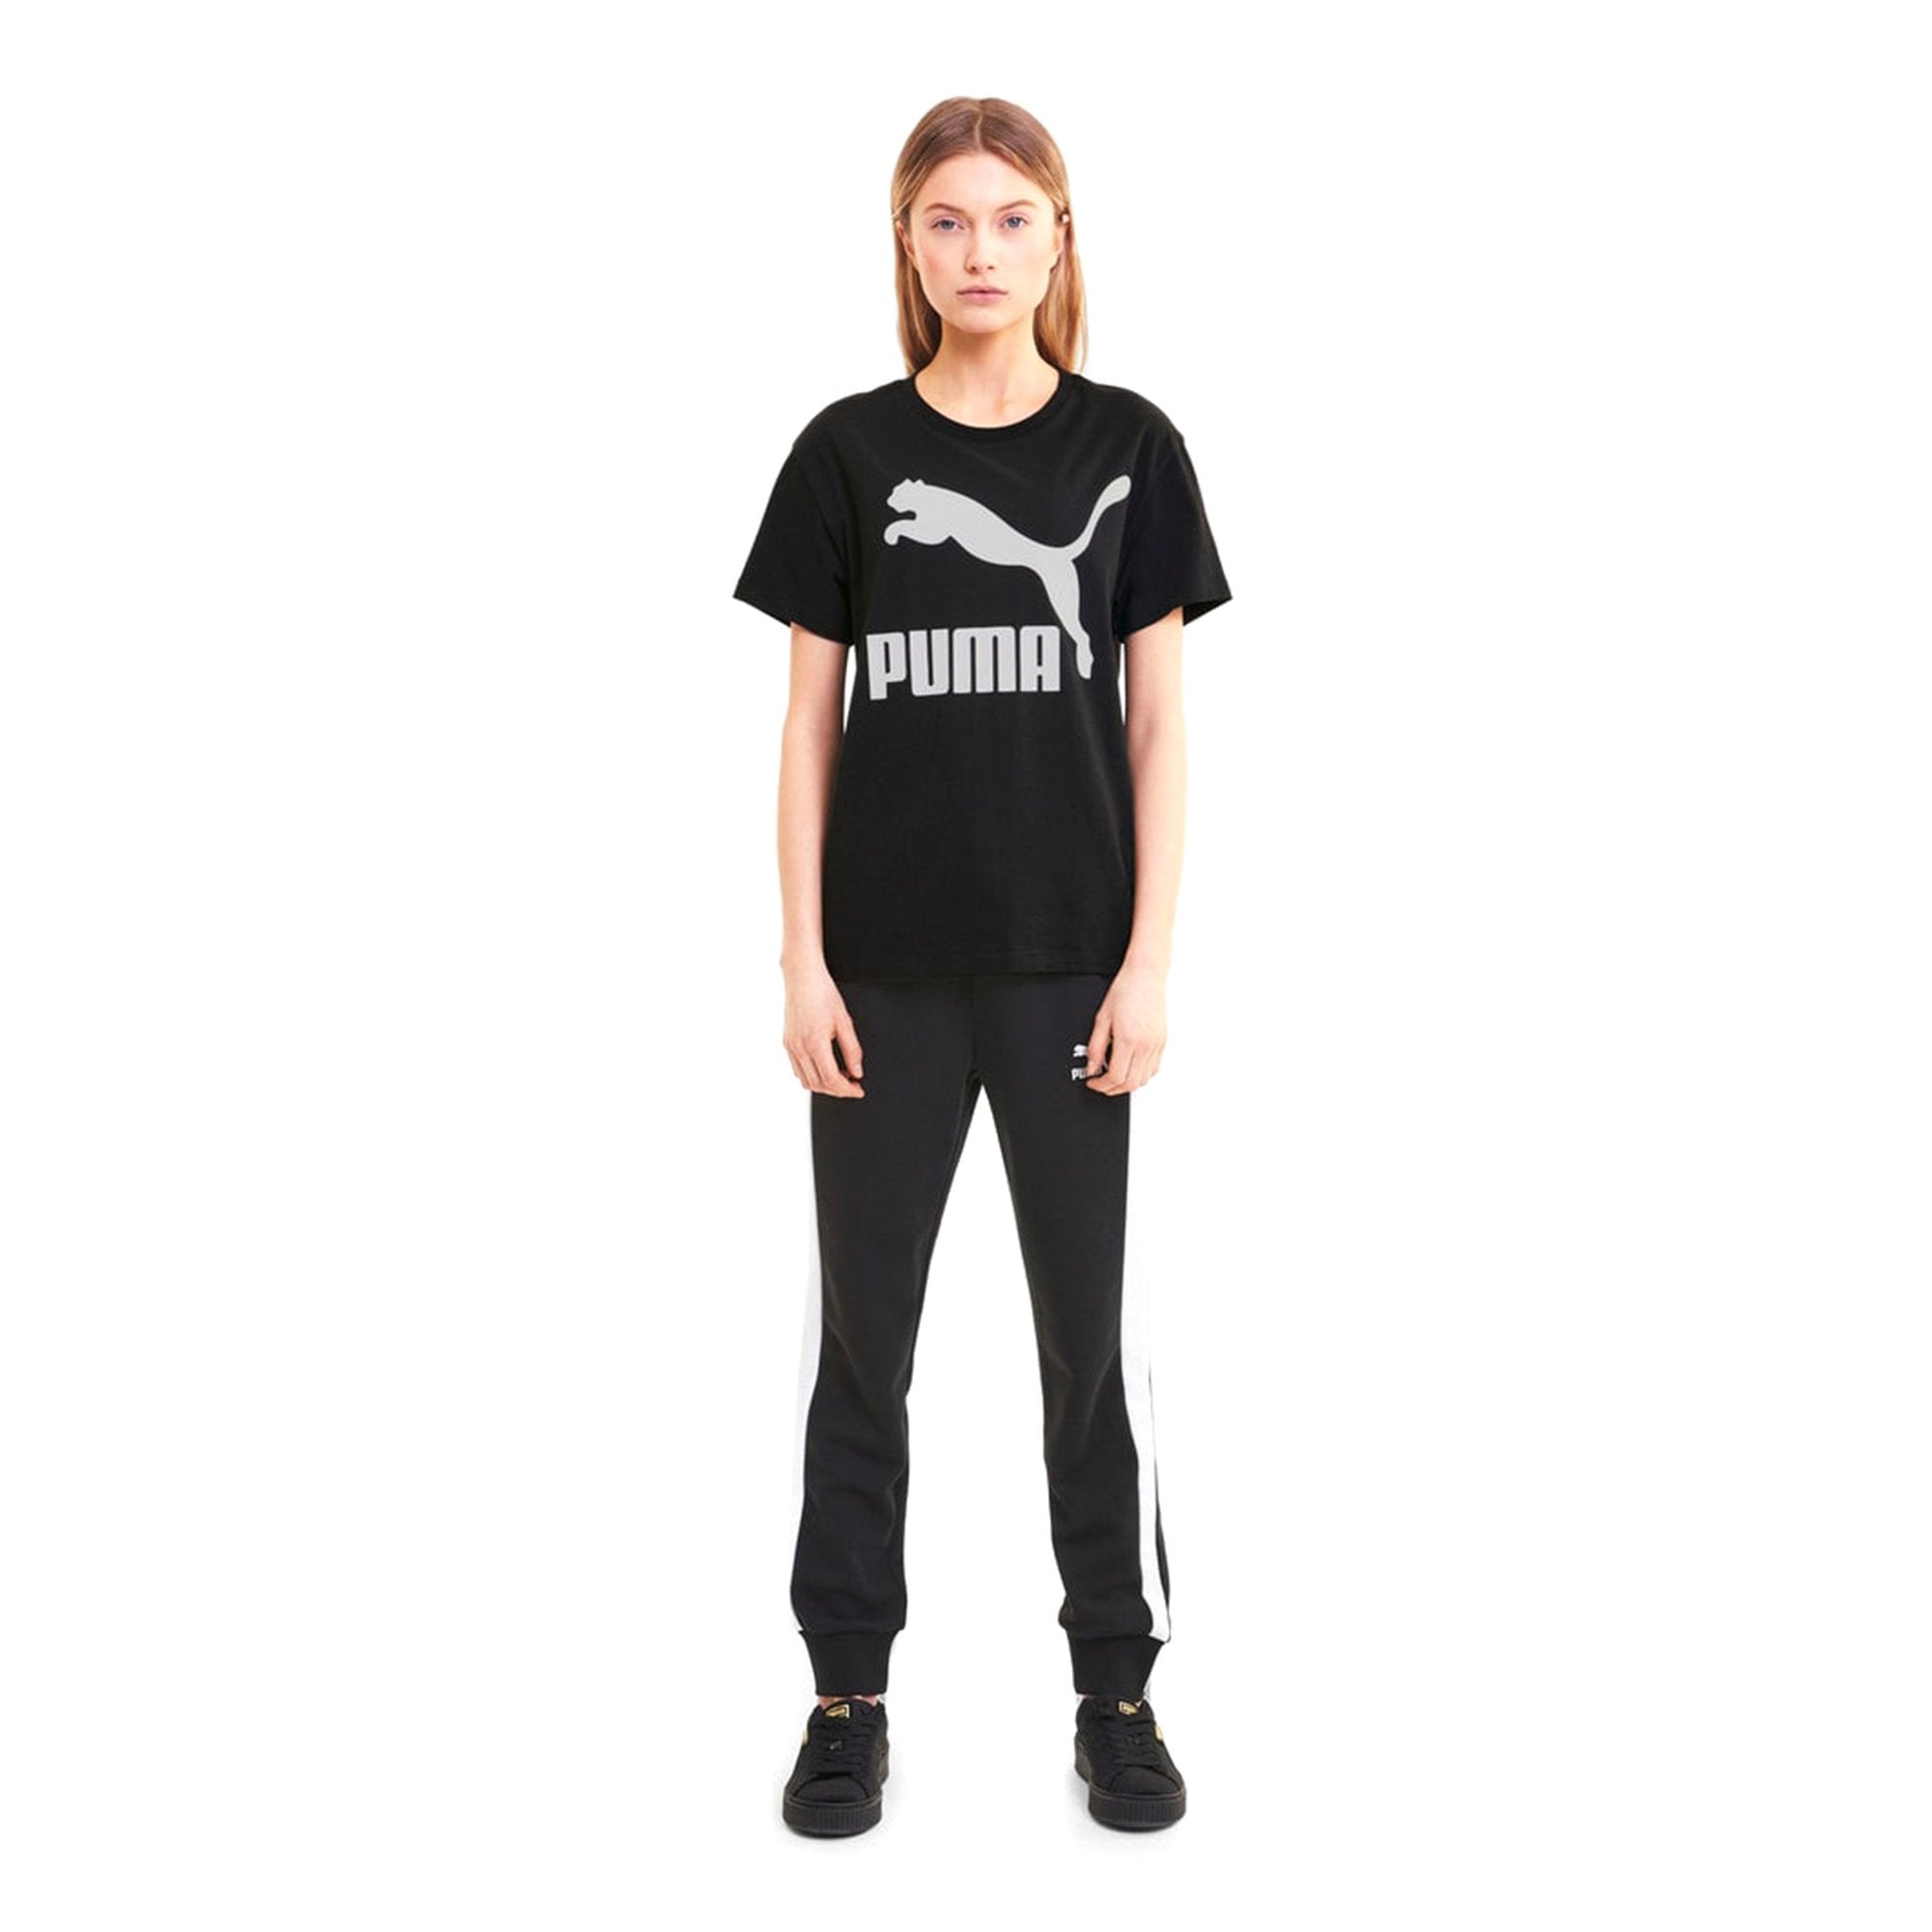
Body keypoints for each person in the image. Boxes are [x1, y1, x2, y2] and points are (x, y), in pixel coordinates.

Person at [733, 96, 1231, 1835]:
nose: (980, 252)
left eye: (1012, 219)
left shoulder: (1132, 448)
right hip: (881, 977)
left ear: (1060, 236)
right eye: (946, 220)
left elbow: (1158, 725)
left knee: (1087, 1348)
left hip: (1069, 972)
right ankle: (845, 1696)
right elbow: (806, 729)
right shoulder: (847, 455)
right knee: (864, 1346)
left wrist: (1148, 962)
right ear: (906, 243)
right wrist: (801, 962)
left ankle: (1117, 1692)